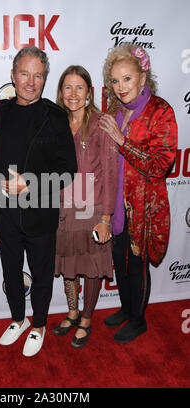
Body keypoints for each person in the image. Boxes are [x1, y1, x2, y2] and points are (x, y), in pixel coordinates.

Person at [0, 46, 77, 357]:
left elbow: (68, 170)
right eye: (24, 74)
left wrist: (31, 182)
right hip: (5, 213)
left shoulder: (54, 116)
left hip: (40, 213)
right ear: (12, 75)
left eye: (38, 75)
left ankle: (38, 324)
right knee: (10, 272)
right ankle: (18, 319)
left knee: (40, 275)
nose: (31, 81)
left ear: (44, 79)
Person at [98, 45, 177, 343]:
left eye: (127, 79)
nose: (120, 88)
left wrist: (121, 141)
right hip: (117, 204)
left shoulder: (161, 111)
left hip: (143, 206)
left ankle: (138, 319)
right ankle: (126, 307)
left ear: (143, 78)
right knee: (120, 260)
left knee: (137, 263)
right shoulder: (116, 111)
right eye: (115, 81)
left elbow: (159, 165)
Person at [53, 66, 118, 348]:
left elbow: (111, 172)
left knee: (92, 266)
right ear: (60, 92)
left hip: (92, 208)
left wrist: (105, 217)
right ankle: (72, 311)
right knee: (68, 264)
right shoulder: (55, 122)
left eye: (80, 87)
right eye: (68, 87)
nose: (74, 94)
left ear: (90, 92)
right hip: (62, 207)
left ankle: (87, 319)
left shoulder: (102, 123)